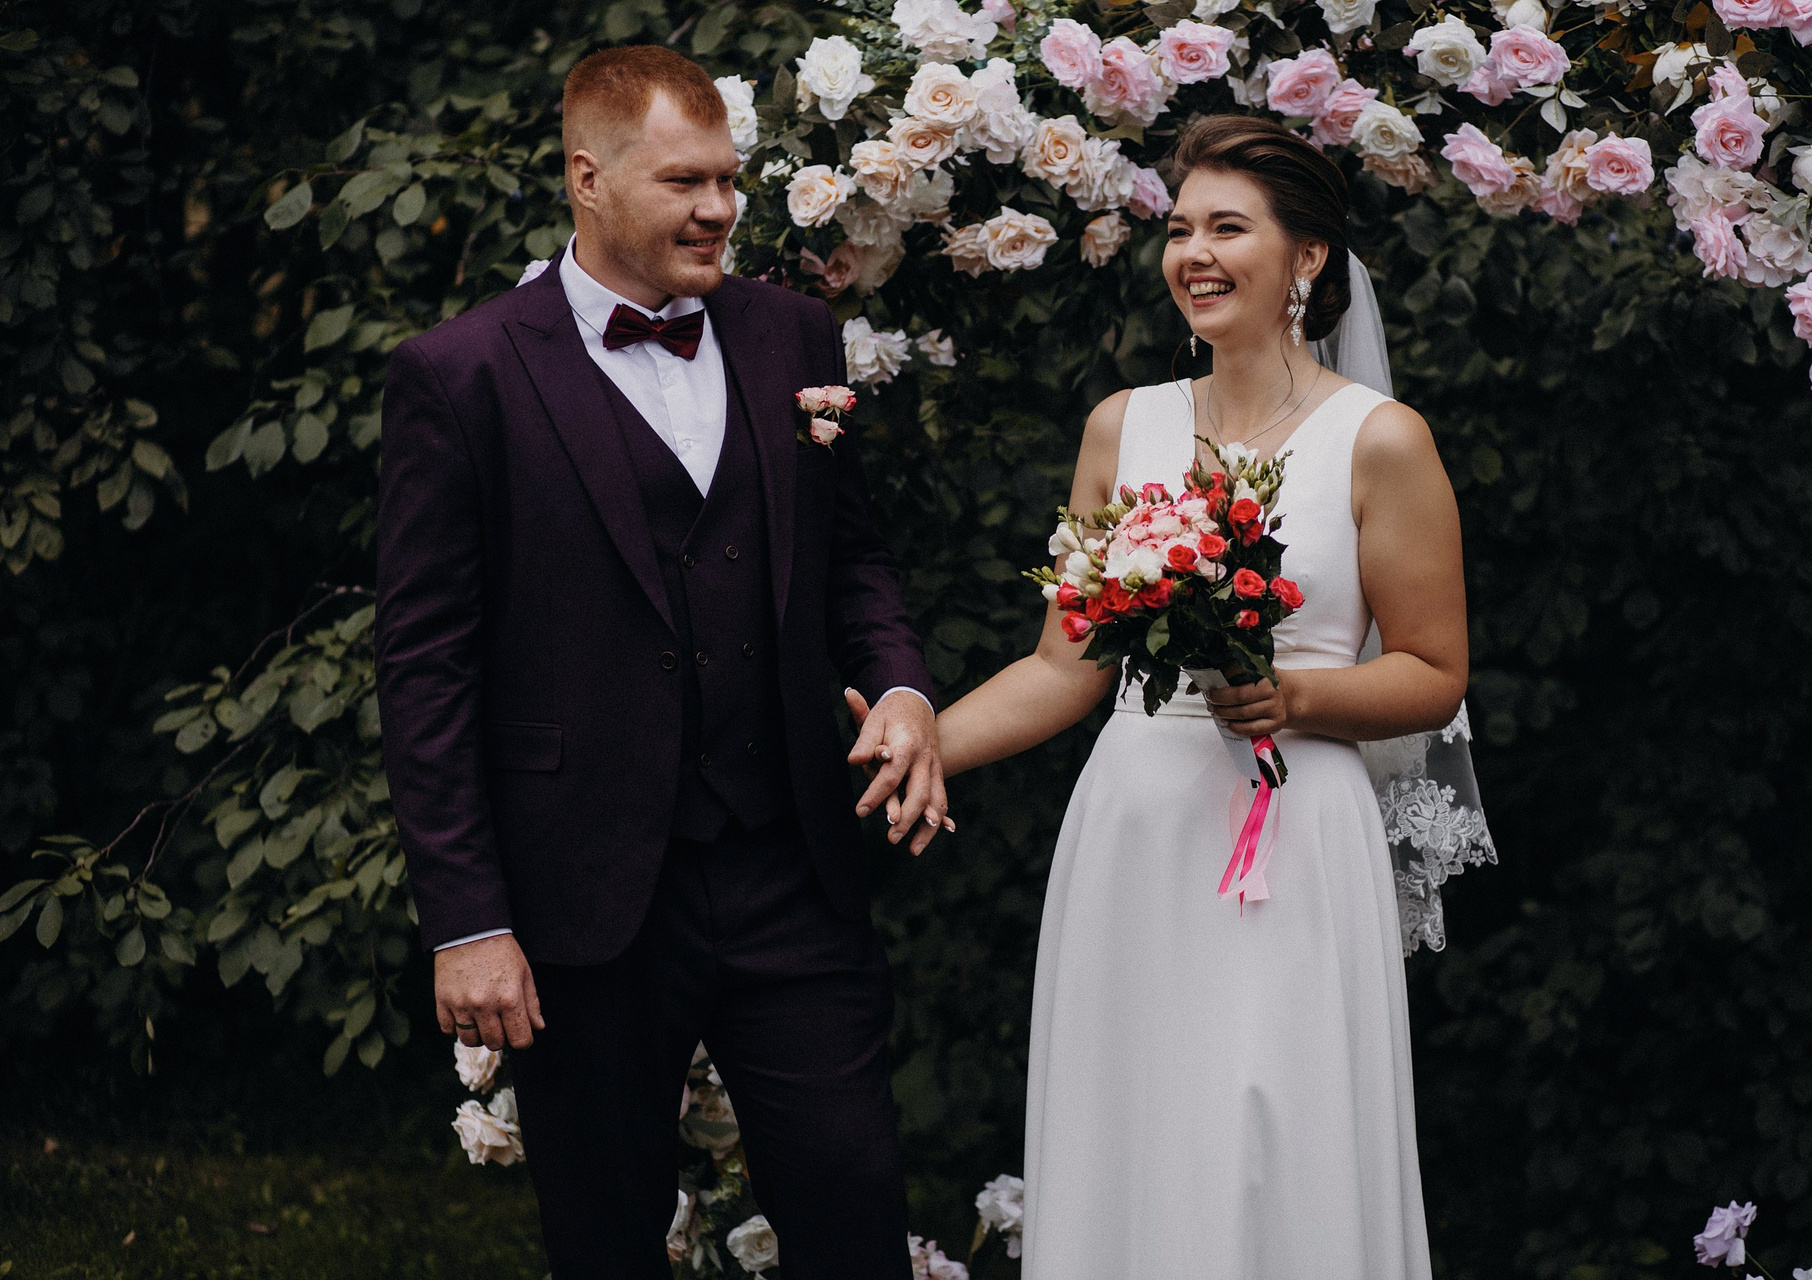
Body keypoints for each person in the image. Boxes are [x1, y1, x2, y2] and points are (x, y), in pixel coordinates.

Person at [372, 44, 947, 1280]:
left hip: (791, 863)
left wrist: (901, 687)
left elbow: (855, 563)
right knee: (605, 1237)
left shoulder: (794, 333)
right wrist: (468, 918)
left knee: (853, 1206)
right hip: (583, 890)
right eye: (685, 181)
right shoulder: (460, 375)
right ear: (587, 178)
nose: (719, 208)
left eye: (729, 179)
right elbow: (425, 671)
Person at [930, 116, 1467, 1276]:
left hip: (1293, 830)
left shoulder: (1379, 440)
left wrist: (1297, 698)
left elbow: (1435, 671)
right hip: (1136, 826)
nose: (1195, 254)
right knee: (1137, 1120)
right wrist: (924, 742)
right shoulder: (1123, 426)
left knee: (1276, 1119)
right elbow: (1061, 666)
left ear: (1307, 257)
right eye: (1180, 230)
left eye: (1228, 228)